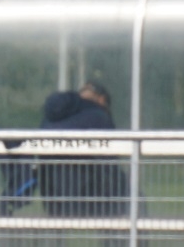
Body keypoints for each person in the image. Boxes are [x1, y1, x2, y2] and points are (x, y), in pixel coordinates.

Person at [37, 80, 128, 217]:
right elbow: (110, 163)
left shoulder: (50, 117)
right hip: (87, 199)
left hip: (53, 196)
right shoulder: (99, 116)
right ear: (102, 99)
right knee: (130, 194)